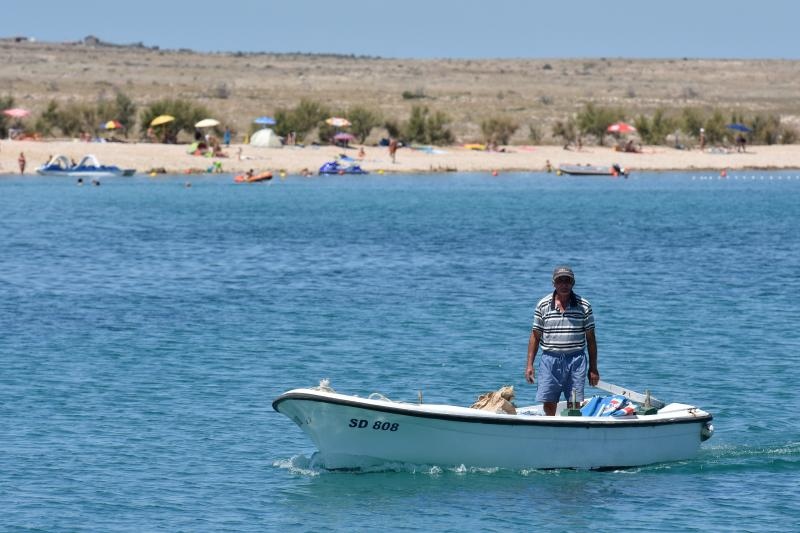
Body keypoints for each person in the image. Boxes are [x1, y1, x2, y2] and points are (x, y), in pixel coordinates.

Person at [525, 266, 599, 416]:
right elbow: (535, 336)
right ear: (554, 283)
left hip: (576, 360)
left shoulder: (584, 306)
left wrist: (593, 368)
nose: (564, 285)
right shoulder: (543, 305)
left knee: (574, 403)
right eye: (560, 281)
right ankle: (550, 430)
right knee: (549, 401)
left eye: (567, 281)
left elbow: (591, 339)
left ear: (573, 283)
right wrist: (529, 365)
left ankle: (571, 431)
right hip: (550, 359)